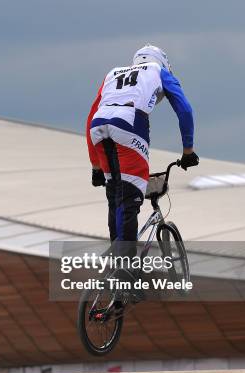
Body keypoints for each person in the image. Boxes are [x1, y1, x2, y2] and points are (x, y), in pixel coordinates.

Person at [86, 44, 198, 269]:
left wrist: (95, 166)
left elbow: (91, 115)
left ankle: (116, 273)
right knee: (130, 200)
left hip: (99, 126)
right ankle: (126, 270)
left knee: (115, 196)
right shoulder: (158, 70)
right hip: (129, 123)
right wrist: (188, 151)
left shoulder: (113, 73)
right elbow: (184, 109)